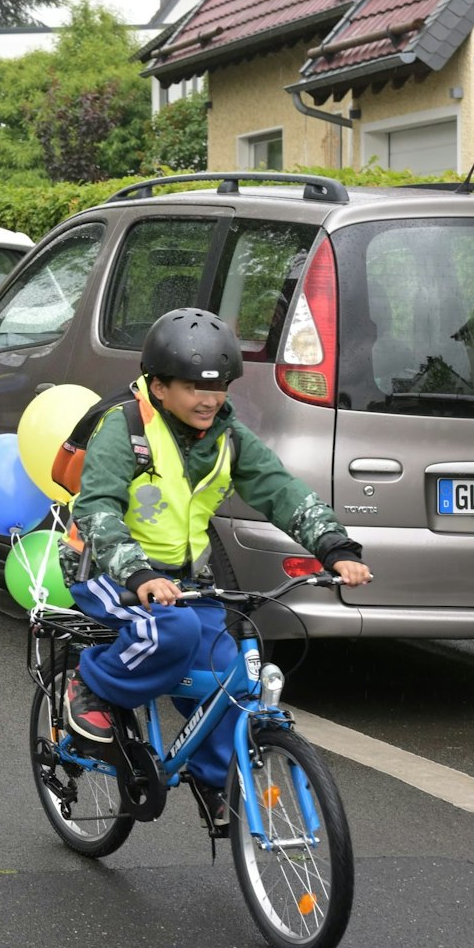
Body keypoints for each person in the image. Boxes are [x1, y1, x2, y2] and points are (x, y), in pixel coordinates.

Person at [60, 308, 373, 822]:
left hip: (184, 584)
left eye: (220, 386)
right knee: (175, 634)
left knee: (228, 673)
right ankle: (91, 684)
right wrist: (137, 573)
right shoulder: (125, 430)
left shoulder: (227, 437)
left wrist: (334, 547)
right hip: (108, 574)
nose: (209, 399)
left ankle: (213, 780)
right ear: (158, 387)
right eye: (193, 387)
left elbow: (281, 491)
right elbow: (96, 509)